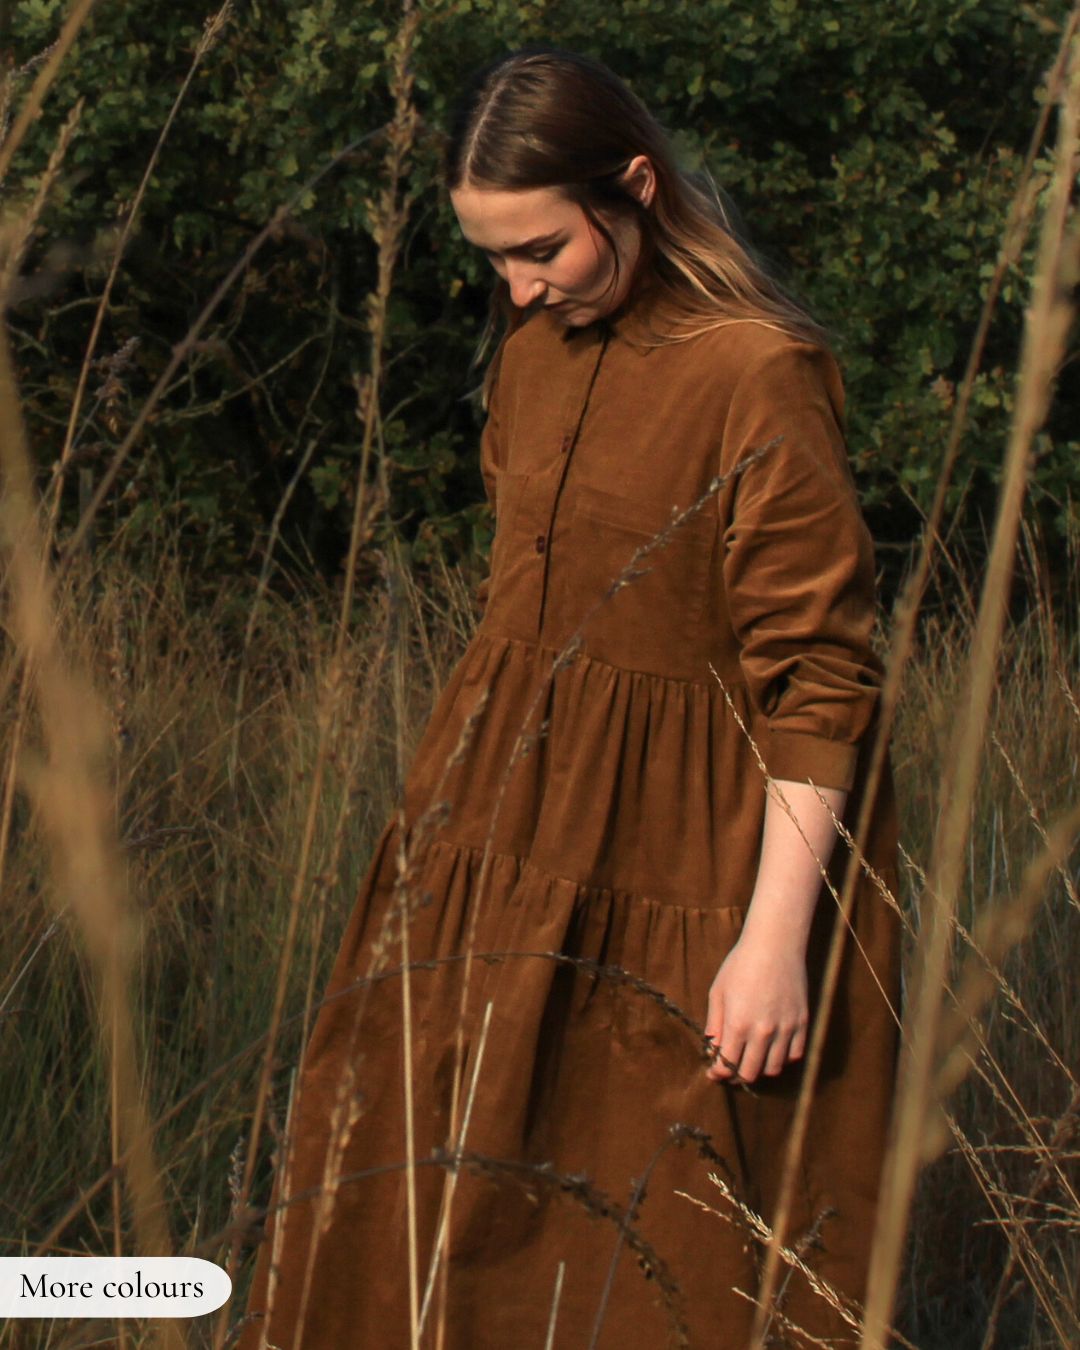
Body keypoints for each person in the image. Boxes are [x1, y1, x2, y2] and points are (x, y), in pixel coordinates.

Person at [236, 46, 902, 1350]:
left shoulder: (756, 369)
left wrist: (772, 943)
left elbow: (821, 677)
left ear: (636, 187)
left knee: (658, 1234)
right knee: (428, 1182)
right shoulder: (534, 352)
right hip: (494, 818)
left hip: (694, 849)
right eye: (493, 259)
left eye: (541, 248)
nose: (520, 288)